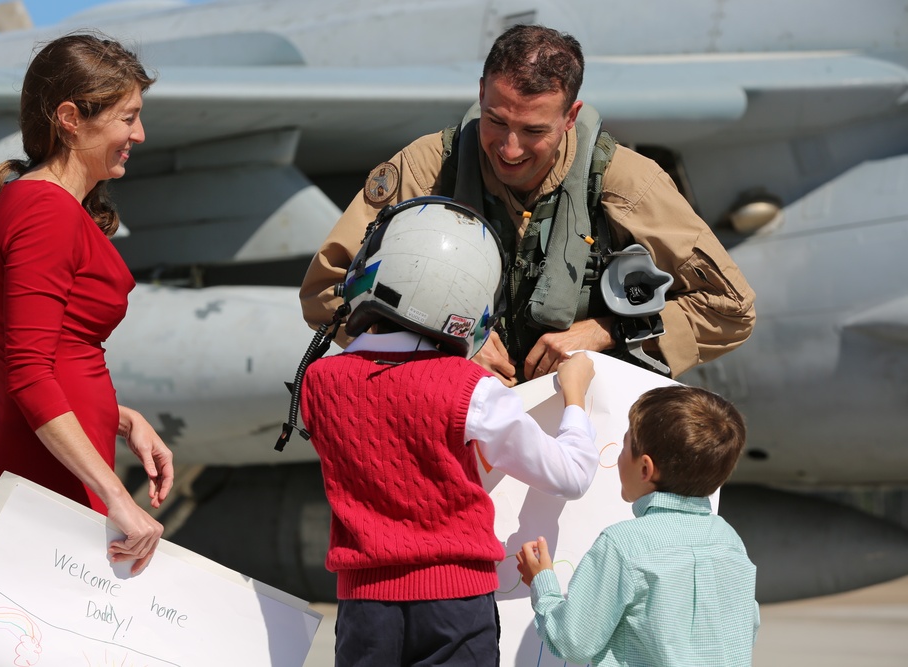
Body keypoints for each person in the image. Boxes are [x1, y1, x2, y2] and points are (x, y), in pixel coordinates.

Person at [300, 24, 755, 386]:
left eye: (534, 131)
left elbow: (730, 310)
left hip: (579, 434)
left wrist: (605, 332)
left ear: (570, 117)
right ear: (480, 94)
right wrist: (445, 344)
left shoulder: (626, 183)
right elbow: (326, 294)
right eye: (496, 121)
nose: (510, 149)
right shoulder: (428, 169)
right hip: (453, 422)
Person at [295, 197, 602, 666]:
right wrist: (575, 396)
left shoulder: (319, 382)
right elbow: (572, 476)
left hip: (363, 610)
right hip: (456, 606)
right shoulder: (470, 389)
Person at [0, 34, 173, 575]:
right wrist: (116, 497)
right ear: (70, 117)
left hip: (59, 451)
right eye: (127, 118)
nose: (139, 134)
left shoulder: (34, 203)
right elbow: (28, 372)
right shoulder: (46, 211)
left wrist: (119, 418)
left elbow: (47, 354)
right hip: (51, 472)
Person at [515, 385, 760, 666]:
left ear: (645, 469)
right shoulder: (730, 540)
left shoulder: (622, 544)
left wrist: (542, 584)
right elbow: (744, 629)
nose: (618, 456)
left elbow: (573, 641)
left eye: (625, 445)